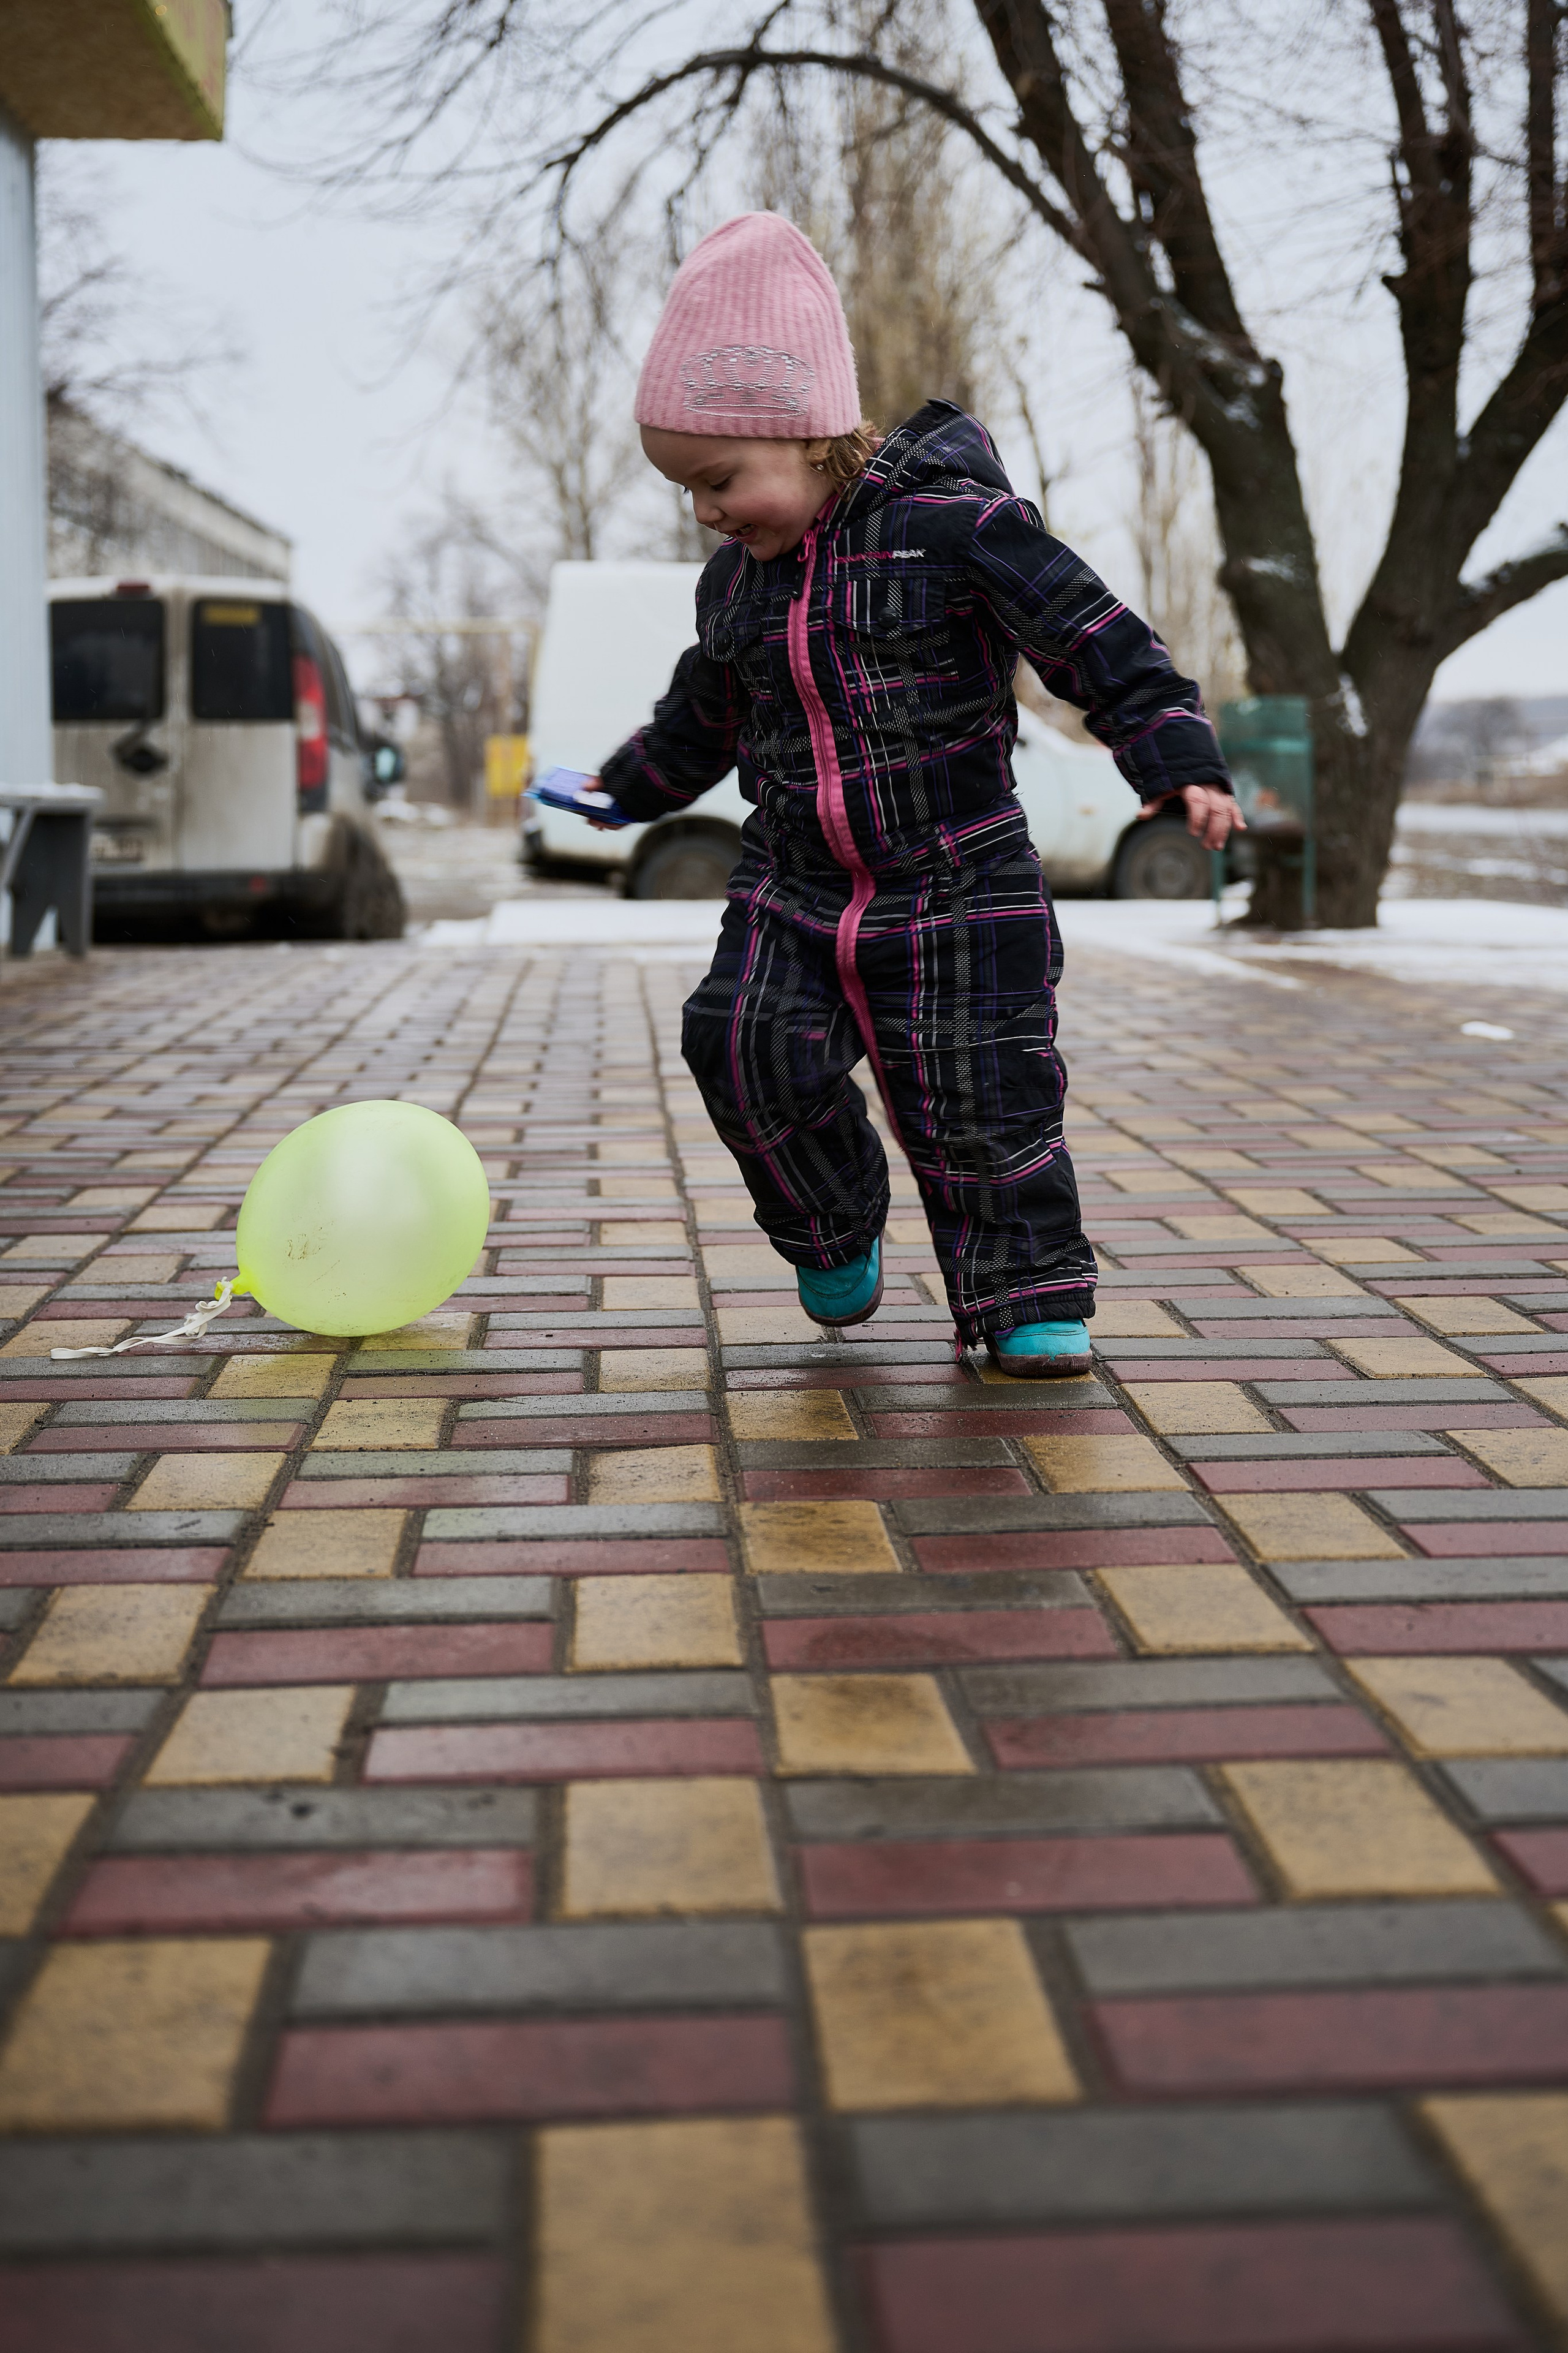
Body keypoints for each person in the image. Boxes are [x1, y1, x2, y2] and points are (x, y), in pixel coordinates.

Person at [594, 213, 1242, 1376]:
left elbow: (1096, 639)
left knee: (985, 1095)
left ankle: (1027, 1296)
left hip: (961, 878)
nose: (706, 511)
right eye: (689, 489)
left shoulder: (956, 527)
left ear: (803, 431)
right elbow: (706, 711)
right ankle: (831, 1223)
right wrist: (629, 783)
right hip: (794, 881)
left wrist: (1177, 754)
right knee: (736, 1042)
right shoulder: (734, 586)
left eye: (718, 478)